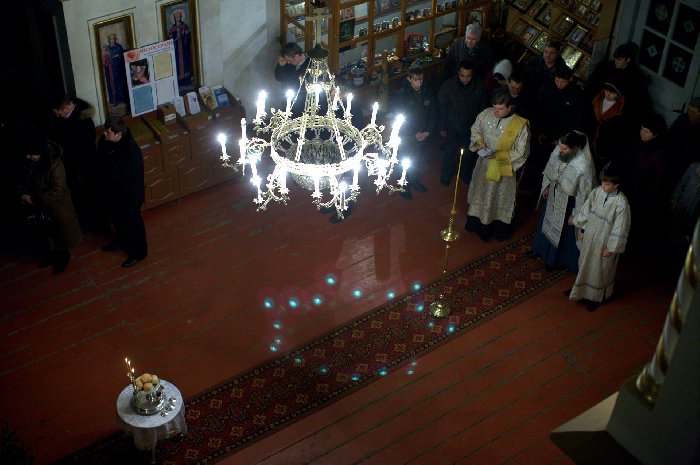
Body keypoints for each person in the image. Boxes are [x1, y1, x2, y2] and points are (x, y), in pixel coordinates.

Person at [465, 91, 530, 242]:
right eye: (494, 107)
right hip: (483, 165)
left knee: (497, 197)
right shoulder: (486, 114)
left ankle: (494, 229)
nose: (495, 111)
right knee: (481, 192)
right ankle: (476, 223)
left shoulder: (520, 125)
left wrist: (497, 156)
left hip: (503, 169)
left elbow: (521, 151)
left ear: (509, 108)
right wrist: (480, 142)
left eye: (500, 109)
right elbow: (475, 129)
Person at [527, 131, 596, 272]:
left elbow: (585, 194)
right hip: (554, 194)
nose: (560, 150)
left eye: (564, 149)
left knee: (563, 232)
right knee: (546, 222)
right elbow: (551, 167)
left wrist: (576, 214)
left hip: (569, 203)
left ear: (575, 147)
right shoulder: (560, 149)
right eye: (559, 147)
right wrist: (547, 185)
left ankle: (554, 260)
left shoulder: (584, 166)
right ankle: (540, 249)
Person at [569, 163, 631, 311]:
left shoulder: (621, 203)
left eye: (607, 184)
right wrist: (582, 230)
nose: (603, 186)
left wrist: (611, 248)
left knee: (599, 269)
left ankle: (595, 297)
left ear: (616, 185)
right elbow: (586, 211)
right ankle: (580, 290)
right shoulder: (597, 192)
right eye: (603, 182)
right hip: (590, 236)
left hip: (604, 241)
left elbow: (621, 227)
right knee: (584, 263)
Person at [18, 138, 82, 274]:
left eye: (32, 154)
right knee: (45, 234)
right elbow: (23, 180)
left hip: (56, 206)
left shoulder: (55, 164)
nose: (28, 157)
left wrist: (34, 199)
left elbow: (57, 189)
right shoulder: (30, 162)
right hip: (39, 207)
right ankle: (50, 256)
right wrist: (24, 193)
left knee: (59, 235)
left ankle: (62, 259)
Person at [98, 117, 148, 268]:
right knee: (117, 221)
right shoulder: (106, 142)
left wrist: (132, 202)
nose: (104, 134)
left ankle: (139, 252)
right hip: (112, 192)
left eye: (108, 132)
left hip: (128, 196)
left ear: (118, 134)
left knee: (132, 223)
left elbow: (134, 181)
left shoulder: (130, 152)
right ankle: (122, 241)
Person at [50, 95, 102, 231]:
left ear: (67, 108)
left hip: (84, 167)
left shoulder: (84, 121)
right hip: (72, 167)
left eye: (59, 113)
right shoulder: (65, 119)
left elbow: (86, 148)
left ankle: (97, 225)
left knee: (91, 196)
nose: (57, 116)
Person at [437, 60, 489, 186]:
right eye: (462, 76)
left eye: (468, 76)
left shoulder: (480, 86)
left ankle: (464, 173)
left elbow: (483, 108)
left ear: (473, 74)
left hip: (471, 127)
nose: (465, 79)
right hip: (452, 126)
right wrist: (441, 126)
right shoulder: (448, 86)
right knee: (449, 152)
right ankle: (446, 175)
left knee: (468, 154)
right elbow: (442, 107)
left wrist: (481, 128)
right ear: (458, 73)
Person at [389, 64, 436, 199]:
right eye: (416, 79)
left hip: (423, 133)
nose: (419, 82)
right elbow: (401, 117)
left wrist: (428, 131)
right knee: (404, 160)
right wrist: (414, 133)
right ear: (409, 79)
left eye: (421, 79)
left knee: (415, 159)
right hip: (407, 135)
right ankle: (403, 185)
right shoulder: (401, 94)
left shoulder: (427, 90)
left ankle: (414, 181)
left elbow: (433, 111)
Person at [623, 113, 667, 251]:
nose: (642, 132)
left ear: (655, 135)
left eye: (646, 131)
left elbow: (658, 180)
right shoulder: (636, 143)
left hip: (642, 196)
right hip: (628, 188)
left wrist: (646, 194)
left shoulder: (659, 154)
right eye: (642, 129)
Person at [585, 43, 649, 120]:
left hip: (615, 111)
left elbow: (634, 100)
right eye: (615, 58)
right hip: (598, 104)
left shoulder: (634, 77)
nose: (616, 61)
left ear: (628, 60)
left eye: (619, 59)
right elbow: (593, 84)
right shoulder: (606, 67)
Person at [587, 81, 628, 170]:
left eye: (612, 92)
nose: (608, 94)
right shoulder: (597, 100)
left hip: (602, 148)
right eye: (607, 90)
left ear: (618, 95)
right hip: (588, 140)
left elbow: (616, 135)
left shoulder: (619, 111)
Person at [168, 9, 194, 90]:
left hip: (184, 49)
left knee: (186, 63)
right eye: (176, 17)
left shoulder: (184, 26)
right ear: (174, 19)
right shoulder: (173, 28)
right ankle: (179, 82)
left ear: (181, 17)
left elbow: (188, 34)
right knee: (177, 65)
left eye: (179, 17)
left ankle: (187, 80)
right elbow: (170, 37)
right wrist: (172, 37)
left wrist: (185, 33)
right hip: (177, 50)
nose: (178, 18)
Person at [102, 33, 128, 107]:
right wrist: (106, 56)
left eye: (113, 38)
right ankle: (115, 101)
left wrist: (118, 55)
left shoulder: (119, 47)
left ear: (115, 39)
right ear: (109, 40)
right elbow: (105, 58)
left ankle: (122, 99)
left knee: (120, 84)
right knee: (112, 85)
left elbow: (122, 55)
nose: (112, 40)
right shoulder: (107, 48)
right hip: (110, 70)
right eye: (111, 39)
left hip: (118, 69)